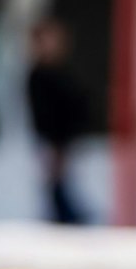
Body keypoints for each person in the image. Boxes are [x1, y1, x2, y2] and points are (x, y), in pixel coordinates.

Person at [25, 18, 94, 225]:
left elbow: (78, 104)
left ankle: (69, 222)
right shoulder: (38, 76)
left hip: (66, 140)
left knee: (64, 187)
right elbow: (43, 115)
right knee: (56, 188)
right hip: (51, 141)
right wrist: (52, 144)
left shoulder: (63, 72)